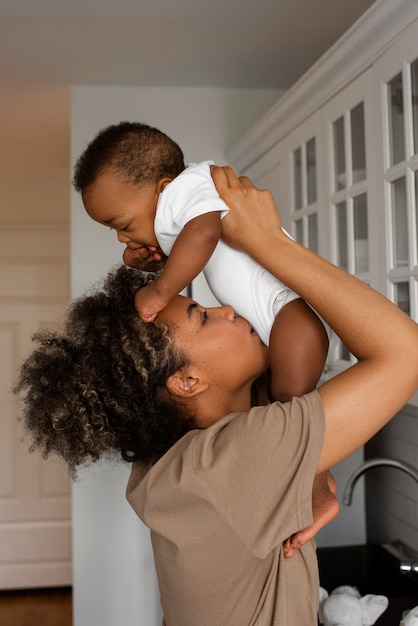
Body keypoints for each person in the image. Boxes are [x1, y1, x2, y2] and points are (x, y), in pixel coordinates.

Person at [15, 167, 418, 625]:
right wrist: (269, 243)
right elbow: (406, 354)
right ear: (186, 383)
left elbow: (289, 393)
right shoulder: (227, 462)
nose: (227, 309)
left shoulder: (176, 459)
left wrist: (313, 472)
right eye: (202, 317)